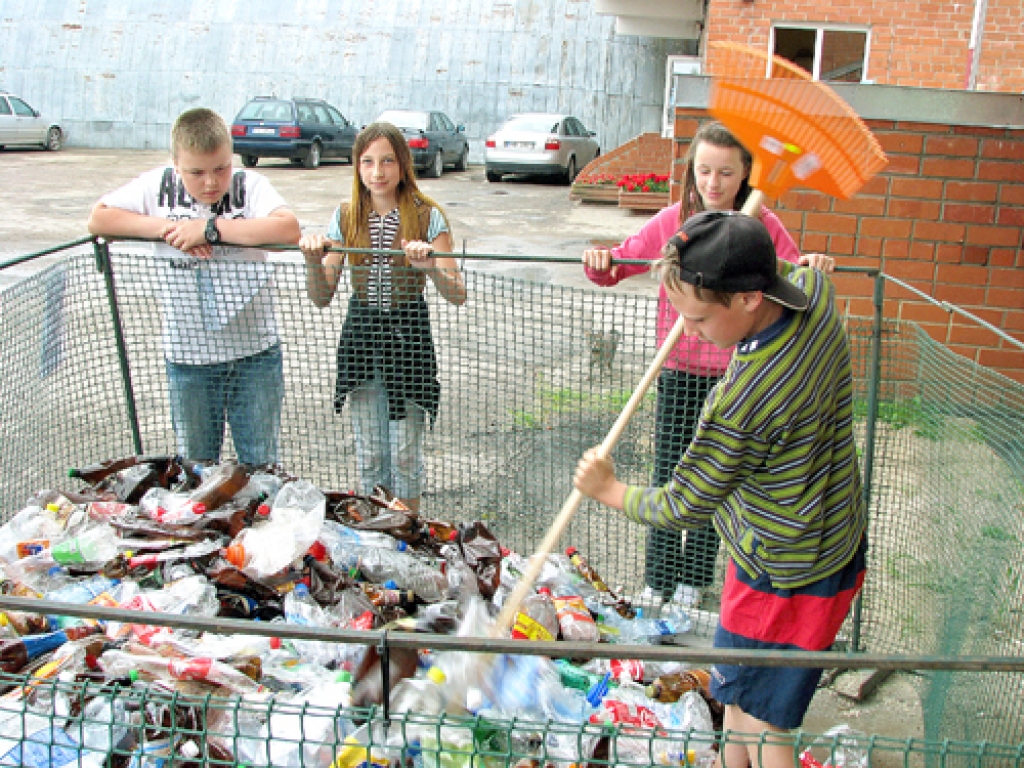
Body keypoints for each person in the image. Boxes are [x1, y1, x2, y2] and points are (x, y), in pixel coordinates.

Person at [574, 210, 868, 768]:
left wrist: (608, 489)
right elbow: (800, 271)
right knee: (736, 697)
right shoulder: (815, 291)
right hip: (832, 547)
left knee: (766, 724)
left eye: (701, 318)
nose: (690, 330)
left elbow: (683, 503)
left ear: (750, 298)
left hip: (780, 577)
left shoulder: (742, 401)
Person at [582, 121, 835, 610]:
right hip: (676, 370)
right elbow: (625, 261)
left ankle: (693, 581)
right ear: (692, 172)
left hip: (735, 376)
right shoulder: (675, 221)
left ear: (744, 175)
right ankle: (657, 580)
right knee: (669, 472)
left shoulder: (761, 224)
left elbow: (791, 275)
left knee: (716, 480)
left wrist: (812, 265)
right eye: (704, 171)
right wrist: (600, 260)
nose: (713, 183)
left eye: (725, 172)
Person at [88, 107, 301, 466]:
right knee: (196, 469)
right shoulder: (156, 186)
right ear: (176, 164)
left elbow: (287, 230)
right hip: (189, 360)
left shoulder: (250, 186)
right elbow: (99, 218)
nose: (210, 182)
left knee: (262, 466)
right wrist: (168, 230)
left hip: (255, 356)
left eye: (220, 168)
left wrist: (211, 230)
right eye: (196, 172)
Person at [300, 122, 466, 512]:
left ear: (403, 164)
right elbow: (322, 296)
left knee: (405, 452)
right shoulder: (346, 216)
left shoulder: (428, 216)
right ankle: (376, 531)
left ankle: (407, 533)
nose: (378, 172)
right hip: (362, 335)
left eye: (388, 160)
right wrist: (311, 262)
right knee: (371, 452)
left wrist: (428, 268)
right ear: (357, 167)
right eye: (368, 162)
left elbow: (457, 293)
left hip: (408, 334)